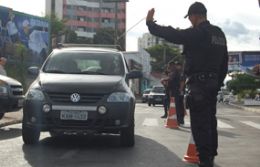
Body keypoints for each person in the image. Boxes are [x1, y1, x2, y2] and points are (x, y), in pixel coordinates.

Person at [146, 2, 228, 167]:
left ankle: (205, 161)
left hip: (200, 84)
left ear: (196, 16)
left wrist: (151, 25)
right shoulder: (219, 33)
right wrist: (217, 83)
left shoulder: (199, 33)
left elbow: (174, 34)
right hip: (212, 83)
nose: (190, 21)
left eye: (190, 17)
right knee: (210, 121)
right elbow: (224, 63)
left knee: (200, 125)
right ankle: (210, 156)